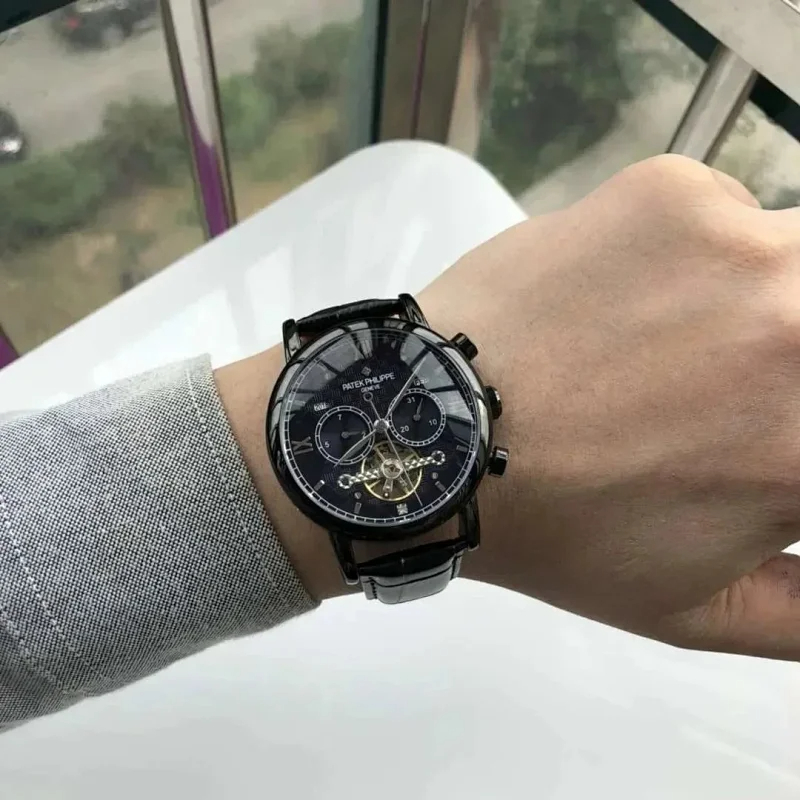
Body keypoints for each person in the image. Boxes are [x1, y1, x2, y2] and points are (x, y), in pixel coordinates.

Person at [1, 154, 799, 729]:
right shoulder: (407, 449)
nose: (383, 434)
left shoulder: (452, 424)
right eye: (350, 429)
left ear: (484, 413)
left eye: (418, 417)